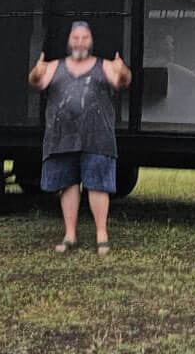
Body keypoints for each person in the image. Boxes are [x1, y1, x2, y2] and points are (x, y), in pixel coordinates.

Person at [27, 20, 131, 254]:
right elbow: (36, 82)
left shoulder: (105, 65)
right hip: (62, 137)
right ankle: (70, 235)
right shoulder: (54, 66)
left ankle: (101, 235)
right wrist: (37, 70)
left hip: (98, 136)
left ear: (91, 41)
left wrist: (122, 69)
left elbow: (122, 81)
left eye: (84, 37)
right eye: (76, 38)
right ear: (69, 41)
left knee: (97, 187)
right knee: (68, 185)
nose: (80, 42)